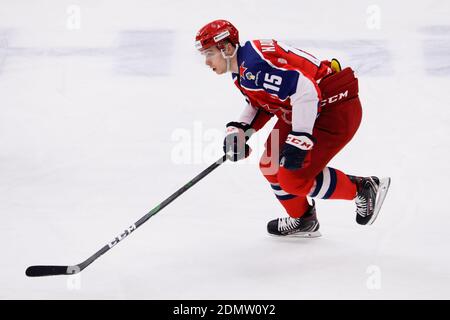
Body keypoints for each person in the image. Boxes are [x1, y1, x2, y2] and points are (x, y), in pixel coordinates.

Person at [195, 20, 391, 237]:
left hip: (335, 110)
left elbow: (306, 91)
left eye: (210, 53)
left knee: (293, 179)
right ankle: (304, 219)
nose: (206, 61)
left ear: (228, 48)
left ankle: (363, 188)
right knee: (270, 165)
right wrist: (240, 131)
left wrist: (300, 139)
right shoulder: (243, 67)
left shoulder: (254, 66)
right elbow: (263, 101)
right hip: (307, 108)